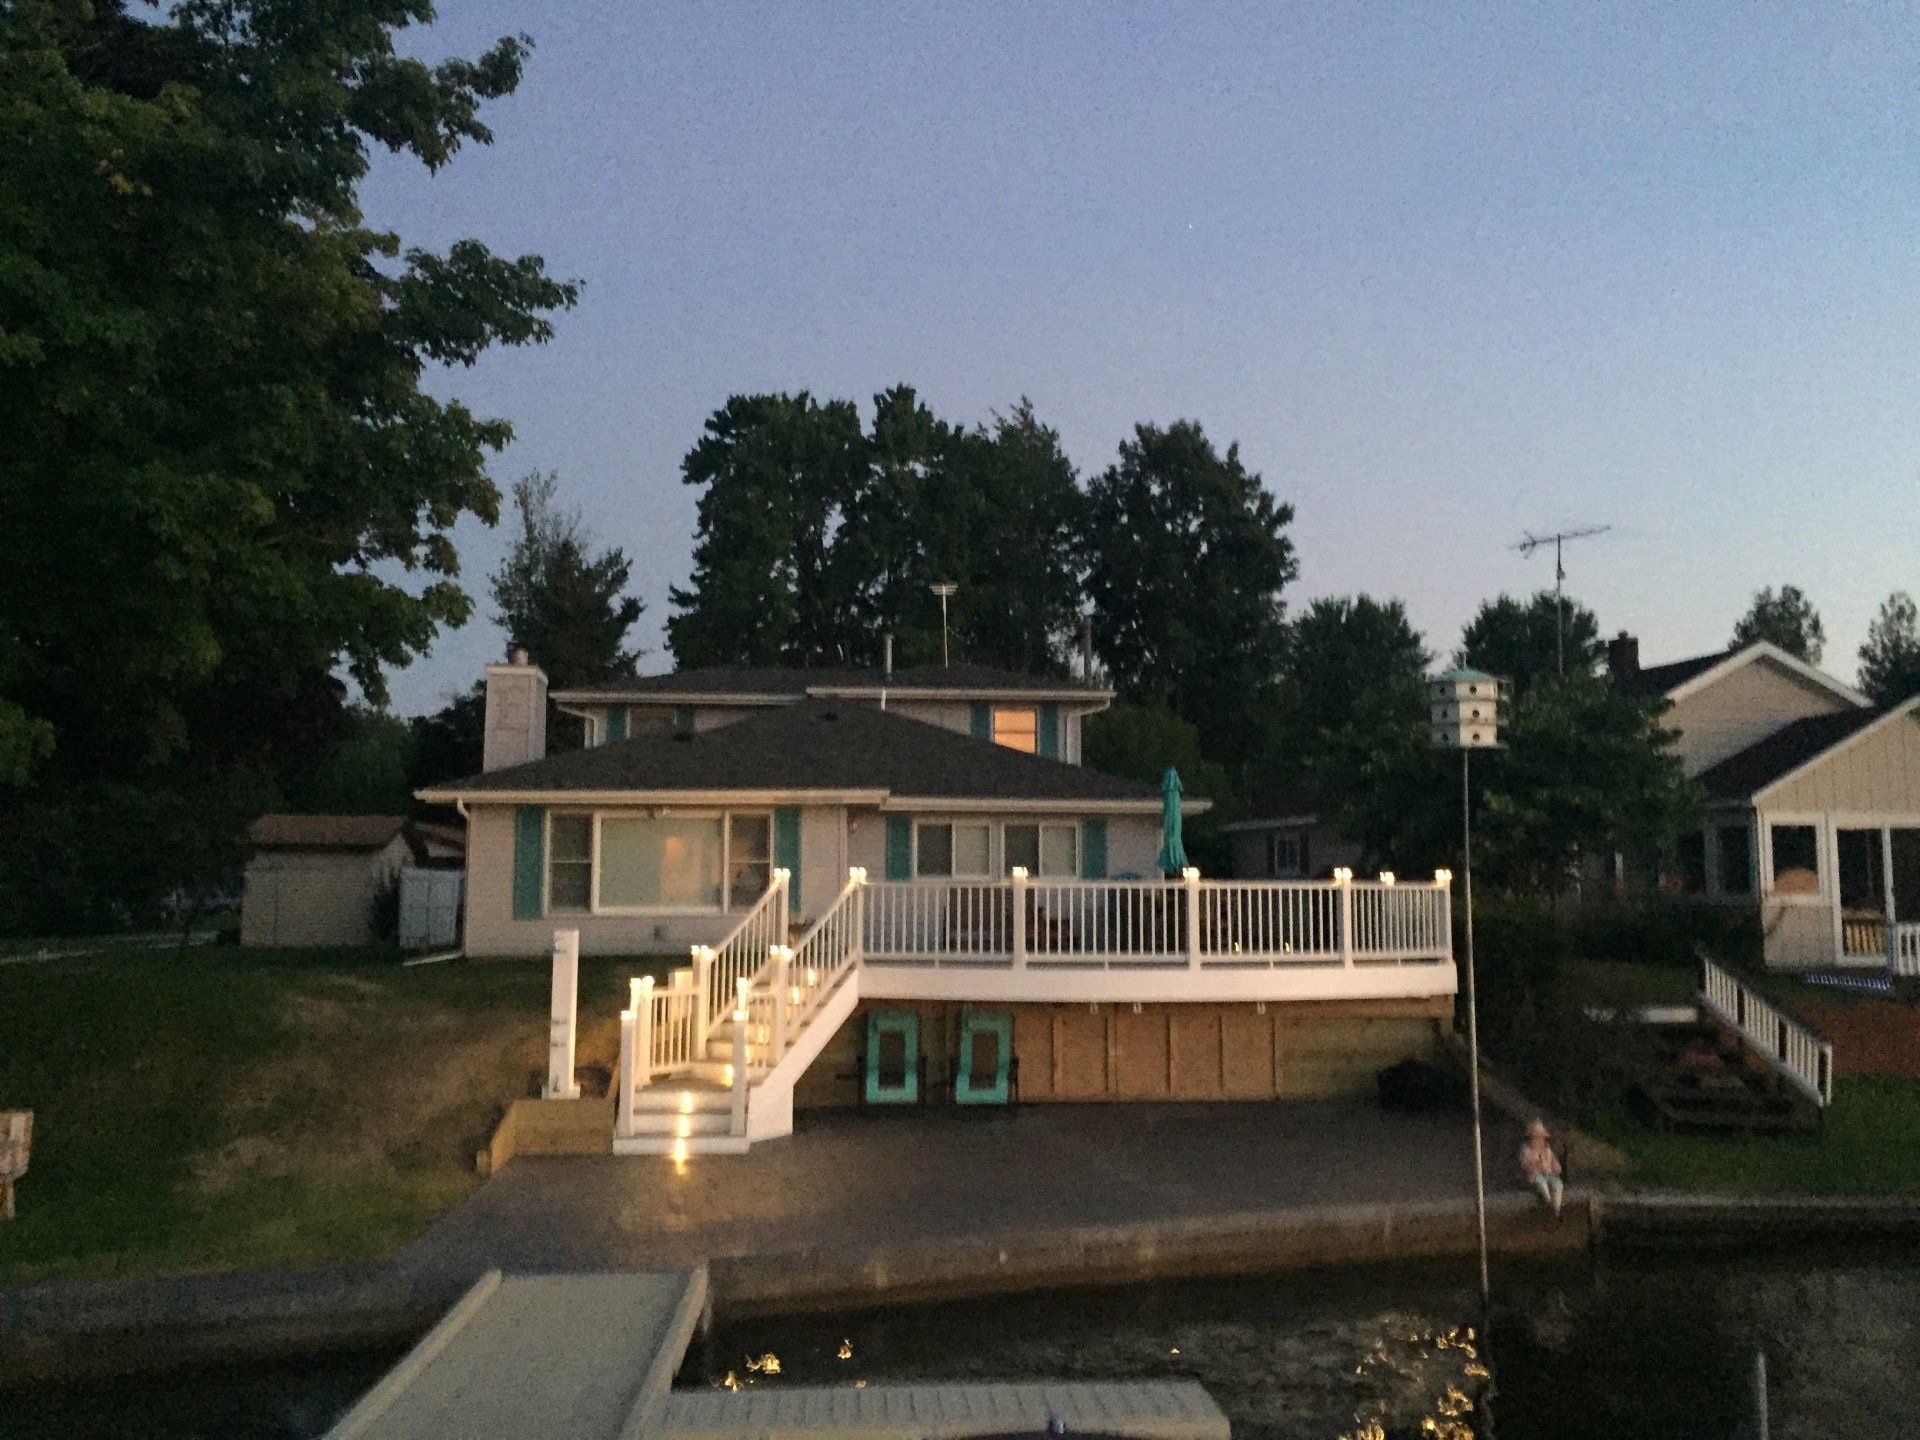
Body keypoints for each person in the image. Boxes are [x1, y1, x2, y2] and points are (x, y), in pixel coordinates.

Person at [1519, 1118, 1564, 1217]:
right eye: (1536, 1138)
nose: (1539, 1141)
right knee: (1541, 1182)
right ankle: (1548, 1201)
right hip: (1535, 1175)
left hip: (1549, 1174)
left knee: (1557, 1184)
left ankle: (1556, 1209)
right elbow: (1525, 1166)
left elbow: (1556, 1166)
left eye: (1541, 1138)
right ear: (1531, 1139)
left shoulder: (1547, 1150)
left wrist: (1555, 1167)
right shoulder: (1526, 1151)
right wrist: (1537, 1165)